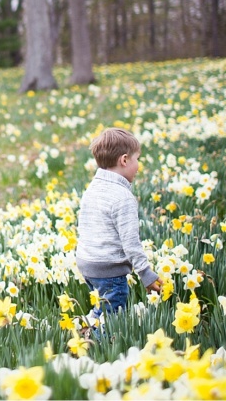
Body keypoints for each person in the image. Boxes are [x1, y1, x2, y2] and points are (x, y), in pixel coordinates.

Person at [76, 127, 163, 331]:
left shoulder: (93, 188)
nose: (138, 166)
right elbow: (131, 243)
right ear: (124, 160)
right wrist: (146, 275)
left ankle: (81, 332)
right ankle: (98, 351)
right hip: (109, 269)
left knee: (101, 308)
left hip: (88, 264)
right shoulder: (123, 197)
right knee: (113, 319)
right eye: (137, 159)